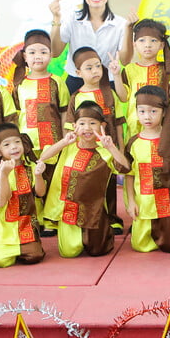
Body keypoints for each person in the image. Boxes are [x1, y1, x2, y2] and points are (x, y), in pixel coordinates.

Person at [39, 101, 131, 258]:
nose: (87, 128)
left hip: (93, 211)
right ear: (74, 126)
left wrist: (111, 147)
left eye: (92, 123)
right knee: (69, 252)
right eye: (82, 123)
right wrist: (64, 141)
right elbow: (44, 157)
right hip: (68, 209)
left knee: (98, 250)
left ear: (102, 126)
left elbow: (125, 168)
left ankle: (104, 230)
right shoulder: (68, 147)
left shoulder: (105, 152)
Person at [124, 86, 170, 253]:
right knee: (140, 247)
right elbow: (129, 174)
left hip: (167, 202)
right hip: (144, 202)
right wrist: (131, 202)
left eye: (153, 111)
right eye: (142, 111)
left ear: (164, 112)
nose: (147, 116)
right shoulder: (133, 142)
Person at [64, 47, 126, 234]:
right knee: (88, 184)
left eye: (98, 66)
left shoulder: (110, 94)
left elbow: (118, 123)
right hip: (85, 151)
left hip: (107, 149)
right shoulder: (76, 97)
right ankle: (88, 218)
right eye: (89, 68)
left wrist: (120, 148)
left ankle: (112, 218)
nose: (95, 71)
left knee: (109, 184)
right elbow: (70, 127)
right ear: (78, 73)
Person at [49, 0, 134, 94]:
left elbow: (125, 61)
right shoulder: (73, 19)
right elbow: (55, 52)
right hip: (76, 81)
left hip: (107, 83)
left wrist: (129, 29)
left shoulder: (121, 24)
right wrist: (56, 19)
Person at [0, 123, 46, 267]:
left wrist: (38, 175)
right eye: (6, 144)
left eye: (17, 142)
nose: (14, 147)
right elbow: (0, 202)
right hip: (3, 228)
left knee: (34, 256)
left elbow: (40, 193)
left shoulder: (30, 167)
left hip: (26, 225)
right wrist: (4, 175)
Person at [12, 29, 69, 159]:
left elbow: (64, 113)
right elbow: (16, 115)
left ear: (51, 55)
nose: (38, 56)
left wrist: (65, 140)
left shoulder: (57, 82)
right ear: (25, 56)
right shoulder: (20, 84)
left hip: (54, 144)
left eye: (43, 52)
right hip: (27, 144)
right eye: (32, 52)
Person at [121, 19, 170, 139]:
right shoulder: (129, 69)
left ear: (161, 45)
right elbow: (123, 97)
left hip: (159, 126)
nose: (147, 45)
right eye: (142, 40)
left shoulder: (167, 70)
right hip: (134, 125)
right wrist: (117, 75)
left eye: (153, 40)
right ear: (134, 44)